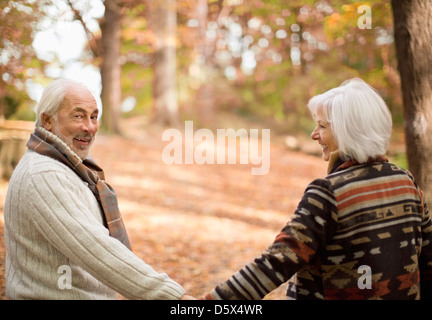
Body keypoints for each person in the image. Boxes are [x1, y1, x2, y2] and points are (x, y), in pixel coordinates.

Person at [202, 78, 432, 300]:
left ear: (347, 131)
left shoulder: (329, 193)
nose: (314, 134)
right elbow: (428, 262)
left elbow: (278, 261)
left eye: (321, 126)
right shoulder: (407, 183)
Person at [4, 78, 193, 300]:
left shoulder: (67, 167)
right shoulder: (44, 174)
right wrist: (175, 298)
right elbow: (98, 250)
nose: (89, 127)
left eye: (93, 116)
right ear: (47, 120)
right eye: (78, 116)